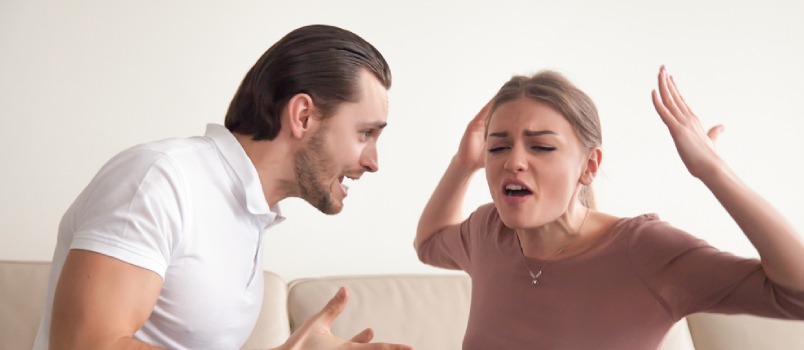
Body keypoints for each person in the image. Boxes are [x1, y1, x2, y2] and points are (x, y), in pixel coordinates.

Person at [34, 24, 411, 350]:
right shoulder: (161, 179)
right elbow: (87, 345)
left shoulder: (248, 212)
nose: (373, 162)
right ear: (303, 116)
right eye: (365, 134)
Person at [415, 66, 804, 349]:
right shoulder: (488, 231)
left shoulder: (645, 250)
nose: (513, 161)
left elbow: (796, 295)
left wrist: (712, 170)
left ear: (589, 166)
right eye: (498, 147)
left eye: (542, 146)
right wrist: (462, 164)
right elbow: (429, 243)